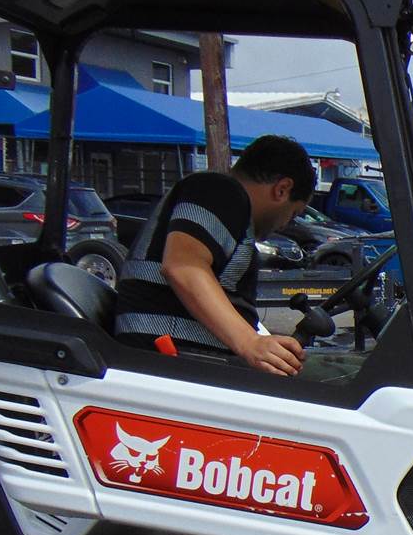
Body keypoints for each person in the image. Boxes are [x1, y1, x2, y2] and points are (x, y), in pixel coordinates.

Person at [114, 135, 314, 376]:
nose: (284, 225)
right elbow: (183, 265)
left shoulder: (229, 205)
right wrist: (250, 342)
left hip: (180, 359)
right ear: (282, 189)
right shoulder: (220, 191)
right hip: (169, 361)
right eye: (292, 214)